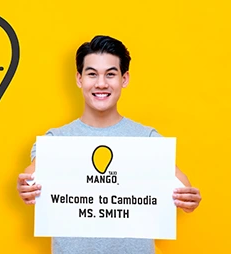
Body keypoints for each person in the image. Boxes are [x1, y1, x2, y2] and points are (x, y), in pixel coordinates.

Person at [17, 35, 202, 254]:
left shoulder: (148, 140)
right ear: (79, 79)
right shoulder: (56, 141)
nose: (101, 83)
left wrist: (188, 199)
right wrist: (26, 187)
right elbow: (32, 175)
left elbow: (180, 186)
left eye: (110, 74)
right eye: (92, 74)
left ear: (124, 79)